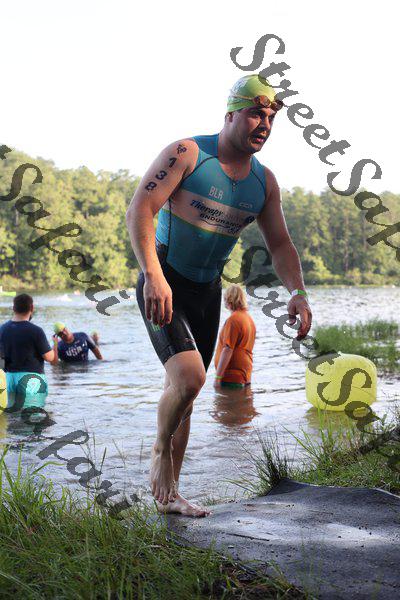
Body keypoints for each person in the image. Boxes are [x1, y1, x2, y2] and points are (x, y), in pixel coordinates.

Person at [126, 73, 312, 517]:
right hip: (164, 280)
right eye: (255, 114)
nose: (264, 124)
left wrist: (298, 292)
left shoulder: (264, 183)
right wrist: (152, 275)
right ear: (230, 114)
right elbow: (141, 209)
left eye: (271, 118)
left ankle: (170, 497)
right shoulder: (188, 154)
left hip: (207, 291)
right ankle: (159, 451)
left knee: (186, 398)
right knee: (191, 378)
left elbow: (280, 244)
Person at [0, 294, 55, 410]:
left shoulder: (2, 329)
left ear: (13, 308)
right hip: (31, 380)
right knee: (32, 417)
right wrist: (55, 344)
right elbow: (50, 357)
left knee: (12, 416)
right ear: (32, 308)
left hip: (8, 379)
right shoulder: (36, 331)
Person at [214, 284, 256, 390]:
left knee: (227, 401)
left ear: (228, 299)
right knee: (241, 400)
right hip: (245, 372)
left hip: (232, 374)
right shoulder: (248, 318)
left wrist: (218, 377)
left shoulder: (233, 320)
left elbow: (228, 349)